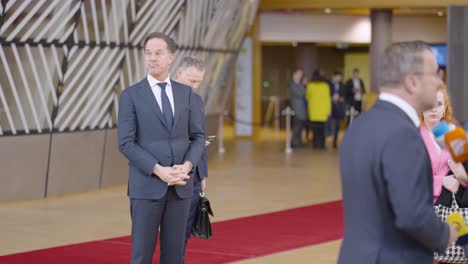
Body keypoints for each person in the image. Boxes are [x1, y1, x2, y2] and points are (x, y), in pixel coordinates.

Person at [338, 41, 458, 264]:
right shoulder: (403, 134)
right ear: (412, 82)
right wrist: (445, 234)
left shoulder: (358, 126)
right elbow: (412, 215)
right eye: (434, 74)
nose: (440, 82)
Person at [118, 32, 205, 264]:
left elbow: (197, 137)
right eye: (148, 53)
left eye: (158, 53)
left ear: (171, 58)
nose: (152, 58)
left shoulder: (186, 94)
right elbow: (126, 143)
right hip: (146, 187)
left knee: (174, 256)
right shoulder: (130, 96)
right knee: (142, 256)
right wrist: (158, 170)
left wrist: (187, 166)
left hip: (180, 188)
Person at [175, 56, 210, 258]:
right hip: (170, 172)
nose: (195, 86)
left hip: (194, 175)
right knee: (173, 232)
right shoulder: (164, 98)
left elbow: (199, 136)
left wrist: (202, 175)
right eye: (191, 80)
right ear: (179, 72)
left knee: (185, 230)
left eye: (199, 82)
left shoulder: (197, 100)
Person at [419, 84, 468, 203]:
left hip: (451, 209)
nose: (433, 109)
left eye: (439, 104)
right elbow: (405, 177)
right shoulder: (412, 136)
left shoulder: (454, 134)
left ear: (445, 107)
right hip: (421, 207)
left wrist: (462, 176)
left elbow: (465, 175)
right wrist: (441, 181)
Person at [305, 69, 331, 149]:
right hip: (323, 111)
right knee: (322, 129)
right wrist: (329, 111)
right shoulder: (325, 86)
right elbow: (327, 99)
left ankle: (315, 144)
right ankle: (322, 145)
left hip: (313, 110)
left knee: (315, 129)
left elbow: (307, 96)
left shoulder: (310, 85)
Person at [288, 69, 307, 148]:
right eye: (299, 74)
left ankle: (299, 142)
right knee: (297, 126)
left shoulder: (299, 84)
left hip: (302, 108)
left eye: (301, 74)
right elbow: (300, 93)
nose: (300, 76)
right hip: (297, 108)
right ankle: (292, 142)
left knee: (300, 127)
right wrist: (303, 86)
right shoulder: (292, 84)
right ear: (294, 74)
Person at [328, 71, 346, 148]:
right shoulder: (328, 84)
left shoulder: (342, 85)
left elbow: (345, 95)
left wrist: (342, 98)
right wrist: (330, 98)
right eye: (338, 76)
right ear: (334, 76)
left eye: (340, 77)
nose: (339, 78)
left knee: (337, 125)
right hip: (330, 106)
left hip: (339, 107)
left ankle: (334, 141)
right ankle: (328, 137)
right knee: (329, 123)